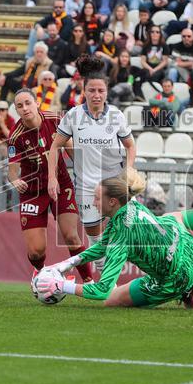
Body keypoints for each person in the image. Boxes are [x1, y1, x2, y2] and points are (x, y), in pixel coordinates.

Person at [34, 168, 193, 308]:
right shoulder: (130, 203)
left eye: (97, 198)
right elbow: (101, 247)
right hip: (189, 246)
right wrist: (66, 264)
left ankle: (184, 287)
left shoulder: (122, 235)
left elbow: (102, 291)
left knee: (112, 300)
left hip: (173, 278)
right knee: (172, 217)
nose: (93, 203)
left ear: (112, 202)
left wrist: (62, 286)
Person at [6, 87, 96, 281]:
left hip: (61, 184)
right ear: (16, 110)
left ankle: (89, 280)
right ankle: (40, 272)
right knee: (36, 251)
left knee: (71, 236)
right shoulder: (15, 136)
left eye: (28, 103)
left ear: (36, 103)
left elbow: (70, 148)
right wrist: (15, 181)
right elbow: (12, 171)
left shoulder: (54, 120)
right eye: (19, 106)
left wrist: (84, 171)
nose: (25, 108)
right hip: (33, 192)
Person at [47, 56, 136, 247]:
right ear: (84, 91)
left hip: (113, 185)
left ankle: (119, 272)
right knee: (96, 240)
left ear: (107, 92)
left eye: (101, 90)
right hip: (86, 187)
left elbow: (130, 145)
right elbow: (55, 146)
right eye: (92, 90)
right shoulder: (72, 116)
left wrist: (129, 169)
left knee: (124, 236)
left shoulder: (116, 115)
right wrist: (52, 178)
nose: (97, 95)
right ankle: (103, 276)